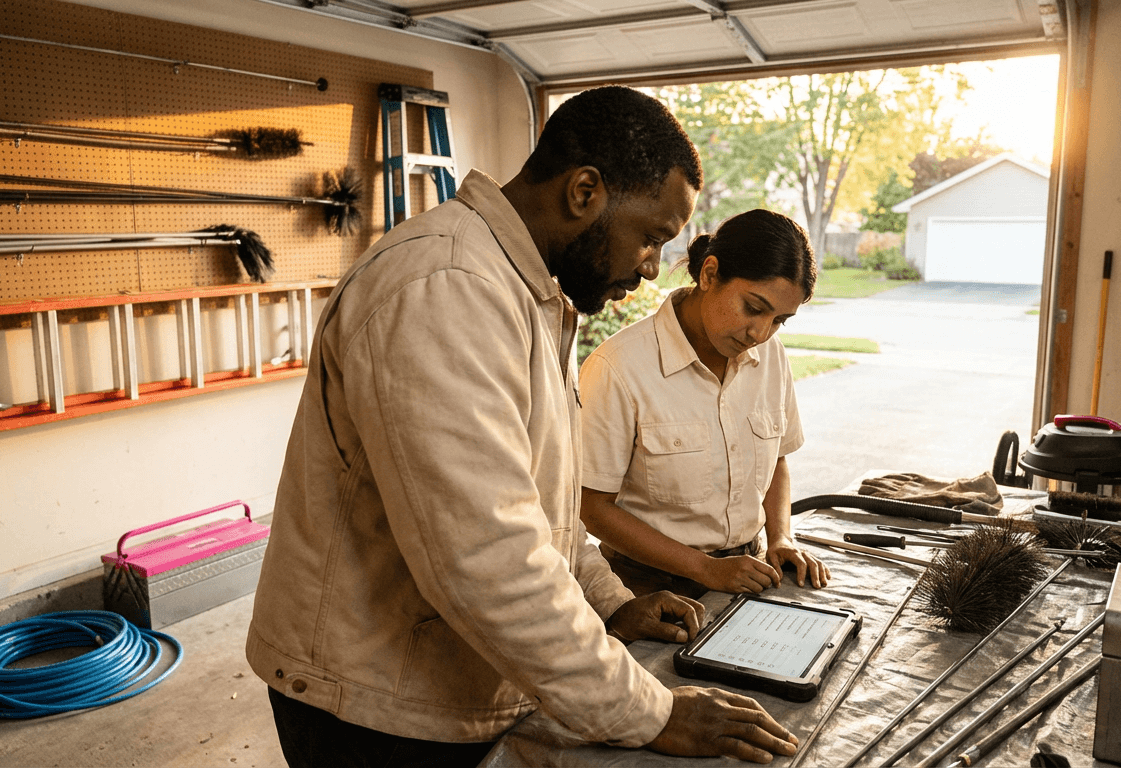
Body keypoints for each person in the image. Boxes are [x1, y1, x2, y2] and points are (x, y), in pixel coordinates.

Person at [245, 86, 800, 767]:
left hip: (448, 673)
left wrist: (607, 601)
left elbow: (534, 508)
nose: (654, 265)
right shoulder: (445, 287)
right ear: (585, 192)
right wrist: (650, 710)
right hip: (371, 701)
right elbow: (486, 555)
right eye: (651, 236)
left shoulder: (524, 294)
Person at [579, 209, 831, 599]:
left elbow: (776, 461)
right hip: (646, 587)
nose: (760, 332)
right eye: (754, 307)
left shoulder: (771, 357)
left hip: (748, 574)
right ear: (710, 274)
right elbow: (592, 507)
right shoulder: (618, 368)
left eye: (780, 319)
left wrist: (781, 537)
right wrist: (705, 569)